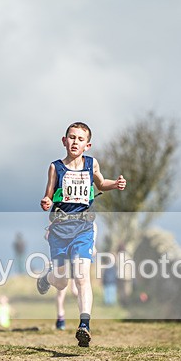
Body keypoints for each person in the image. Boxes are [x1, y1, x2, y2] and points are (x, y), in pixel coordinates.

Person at [37, 121, 126, 347]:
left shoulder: (91, 164)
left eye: (80, 139)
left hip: (83, 228)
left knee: (81, 276)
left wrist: (115, 184)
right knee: (61, 281)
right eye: (72, 137)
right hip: (60, 230)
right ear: (64, 141)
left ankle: (84, 325)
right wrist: (46, 201)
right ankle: (47, 278)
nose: (75, 142)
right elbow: (48, 195)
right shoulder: (55, 167)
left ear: (88, 145)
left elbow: (101, 183)